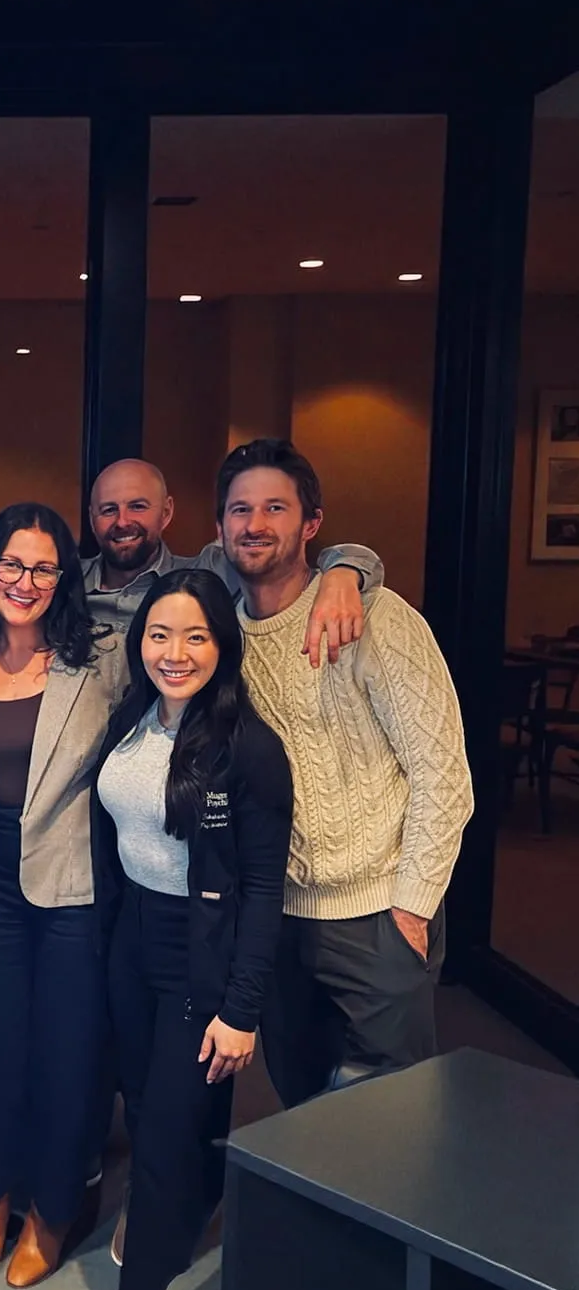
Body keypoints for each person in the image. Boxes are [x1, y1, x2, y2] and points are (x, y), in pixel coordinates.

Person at [215, 438, 474, 1105]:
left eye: (275, 506)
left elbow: (443, 775)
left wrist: (411, 908)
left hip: (376, 913)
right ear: (218, 529)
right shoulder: (217, 635)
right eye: (239, 508)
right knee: (302, 1107)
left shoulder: (375, 619)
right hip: (278, 911)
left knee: (393, 1114)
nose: (254, 522)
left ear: (311, 522)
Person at [82, 568, 292, 1290]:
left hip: (198, 951)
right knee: (143, 1105)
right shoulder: (134, 718)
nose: (174, 652)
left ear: (222, 646)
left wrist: (240, 1010)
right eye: (159, 634)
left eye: (195, 636)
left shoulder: (249, 748)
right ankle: (190, 1206)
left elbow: (263, 889)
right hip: (131, 937)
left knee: (168, 1124)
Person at [0, 504, 125, 1287]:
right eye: (10, 565)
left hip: (74, 886)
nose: (25, 581)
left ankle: (51, 1209)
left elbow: (210, 604)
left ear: (64, 576)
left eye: (43, 567)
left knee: (66, 1055)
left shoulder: (104, 656)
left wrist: (347, 567)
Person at [84, 457, 381, 660]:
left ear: (166, 513)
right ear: (92, 517)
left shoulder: (207, 574)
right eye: (108, 510)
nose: (123, 522)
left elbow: (283, 553)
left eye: (138, 506)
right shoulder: (62, 585)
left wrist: (341, 575)